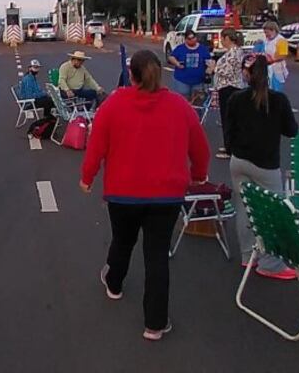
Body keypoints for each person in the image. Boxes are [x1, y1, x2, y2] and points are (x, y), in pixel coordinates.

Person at [80, 50, 210, 341]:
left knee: (122, 241)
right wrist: (199, 174)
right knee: (156, 257)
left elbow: (97, 146)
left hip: (123, 194)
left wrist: (87, 178)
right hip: (167, 196)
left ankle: (114, 284)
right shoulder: (179, 106)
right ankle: (155, 323)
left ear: (132, 75)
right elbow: (199, 147)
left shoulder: (114, 104)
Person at [226, 54, 299, 280]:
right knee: (272, 213)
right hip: (266, 165)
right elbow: (291, 130)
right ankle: (270, 263)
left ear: (245, 74)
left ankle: (248, 255)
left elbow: (228, 132)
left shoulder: (235, 99)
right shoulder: (278, 100)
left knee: (245, 208)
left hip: (239, 161)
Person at [212, 28, 247, 159]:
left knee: (228, 118)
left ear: (227, 39)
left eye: (222, 38)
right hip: (230, 87)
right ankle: (229, 145)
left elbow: (227, 71)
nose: (221, 41)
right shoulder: (236, 52)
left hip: (229, 87)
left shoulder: (233, 54)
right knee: (229, 118)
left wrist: (213, 68)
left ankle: (230, 149)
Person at [167, 30, 211, 101]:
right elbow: (171, 57)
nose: (192, 40)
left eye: (193, 38)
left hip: (198, 82)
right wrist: (177, 63)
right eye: (189, 39)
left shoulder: (203, 49)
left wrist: (209, 70)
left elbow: (209, 61)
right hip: (182, 81)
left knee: (197, 104)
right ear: (185, 40)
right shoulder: (180, 48)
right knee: (182, 103)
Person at [259, 21, 289, 92]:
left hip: (277, 70)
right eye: (265, 32)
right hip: (268, 69)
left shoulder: (281, 40)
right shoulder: (266, 40)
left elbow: (283, 55)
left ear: (273, 30)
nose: (266, 35)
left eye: (267, 32)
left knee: (276, 91)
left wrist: (272, 60)